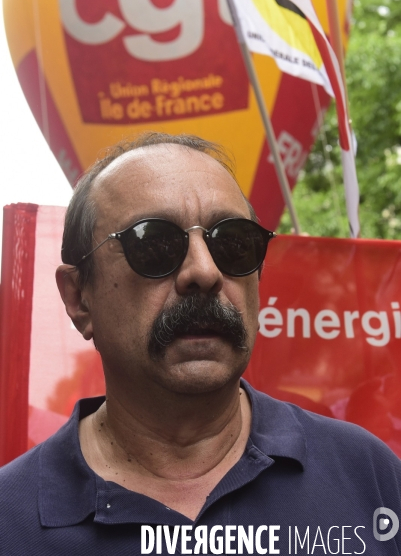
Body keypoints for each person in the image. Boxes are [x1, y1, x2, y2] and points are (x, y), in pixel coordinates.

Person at [1, 132, 400, 556]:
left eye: (233, 243)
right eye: (154, 243)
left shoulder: (367, 476)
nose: (205, 272)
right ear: (79, 298)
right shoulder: (12, 521)